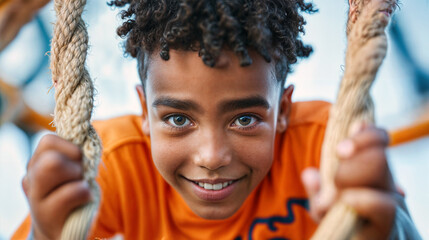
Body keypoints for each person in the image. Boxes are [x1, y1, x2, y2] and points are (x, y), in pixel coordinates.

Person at [12, 0, 420, 239]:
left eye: (244, 119)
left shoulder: (326, 149)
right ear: (143, 114)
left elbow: (395, 225)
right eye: (177, 119)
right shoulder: (110, 167)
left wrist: (388, 228)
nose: (211, 156)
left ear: (284, 113)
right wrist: (46, 234)